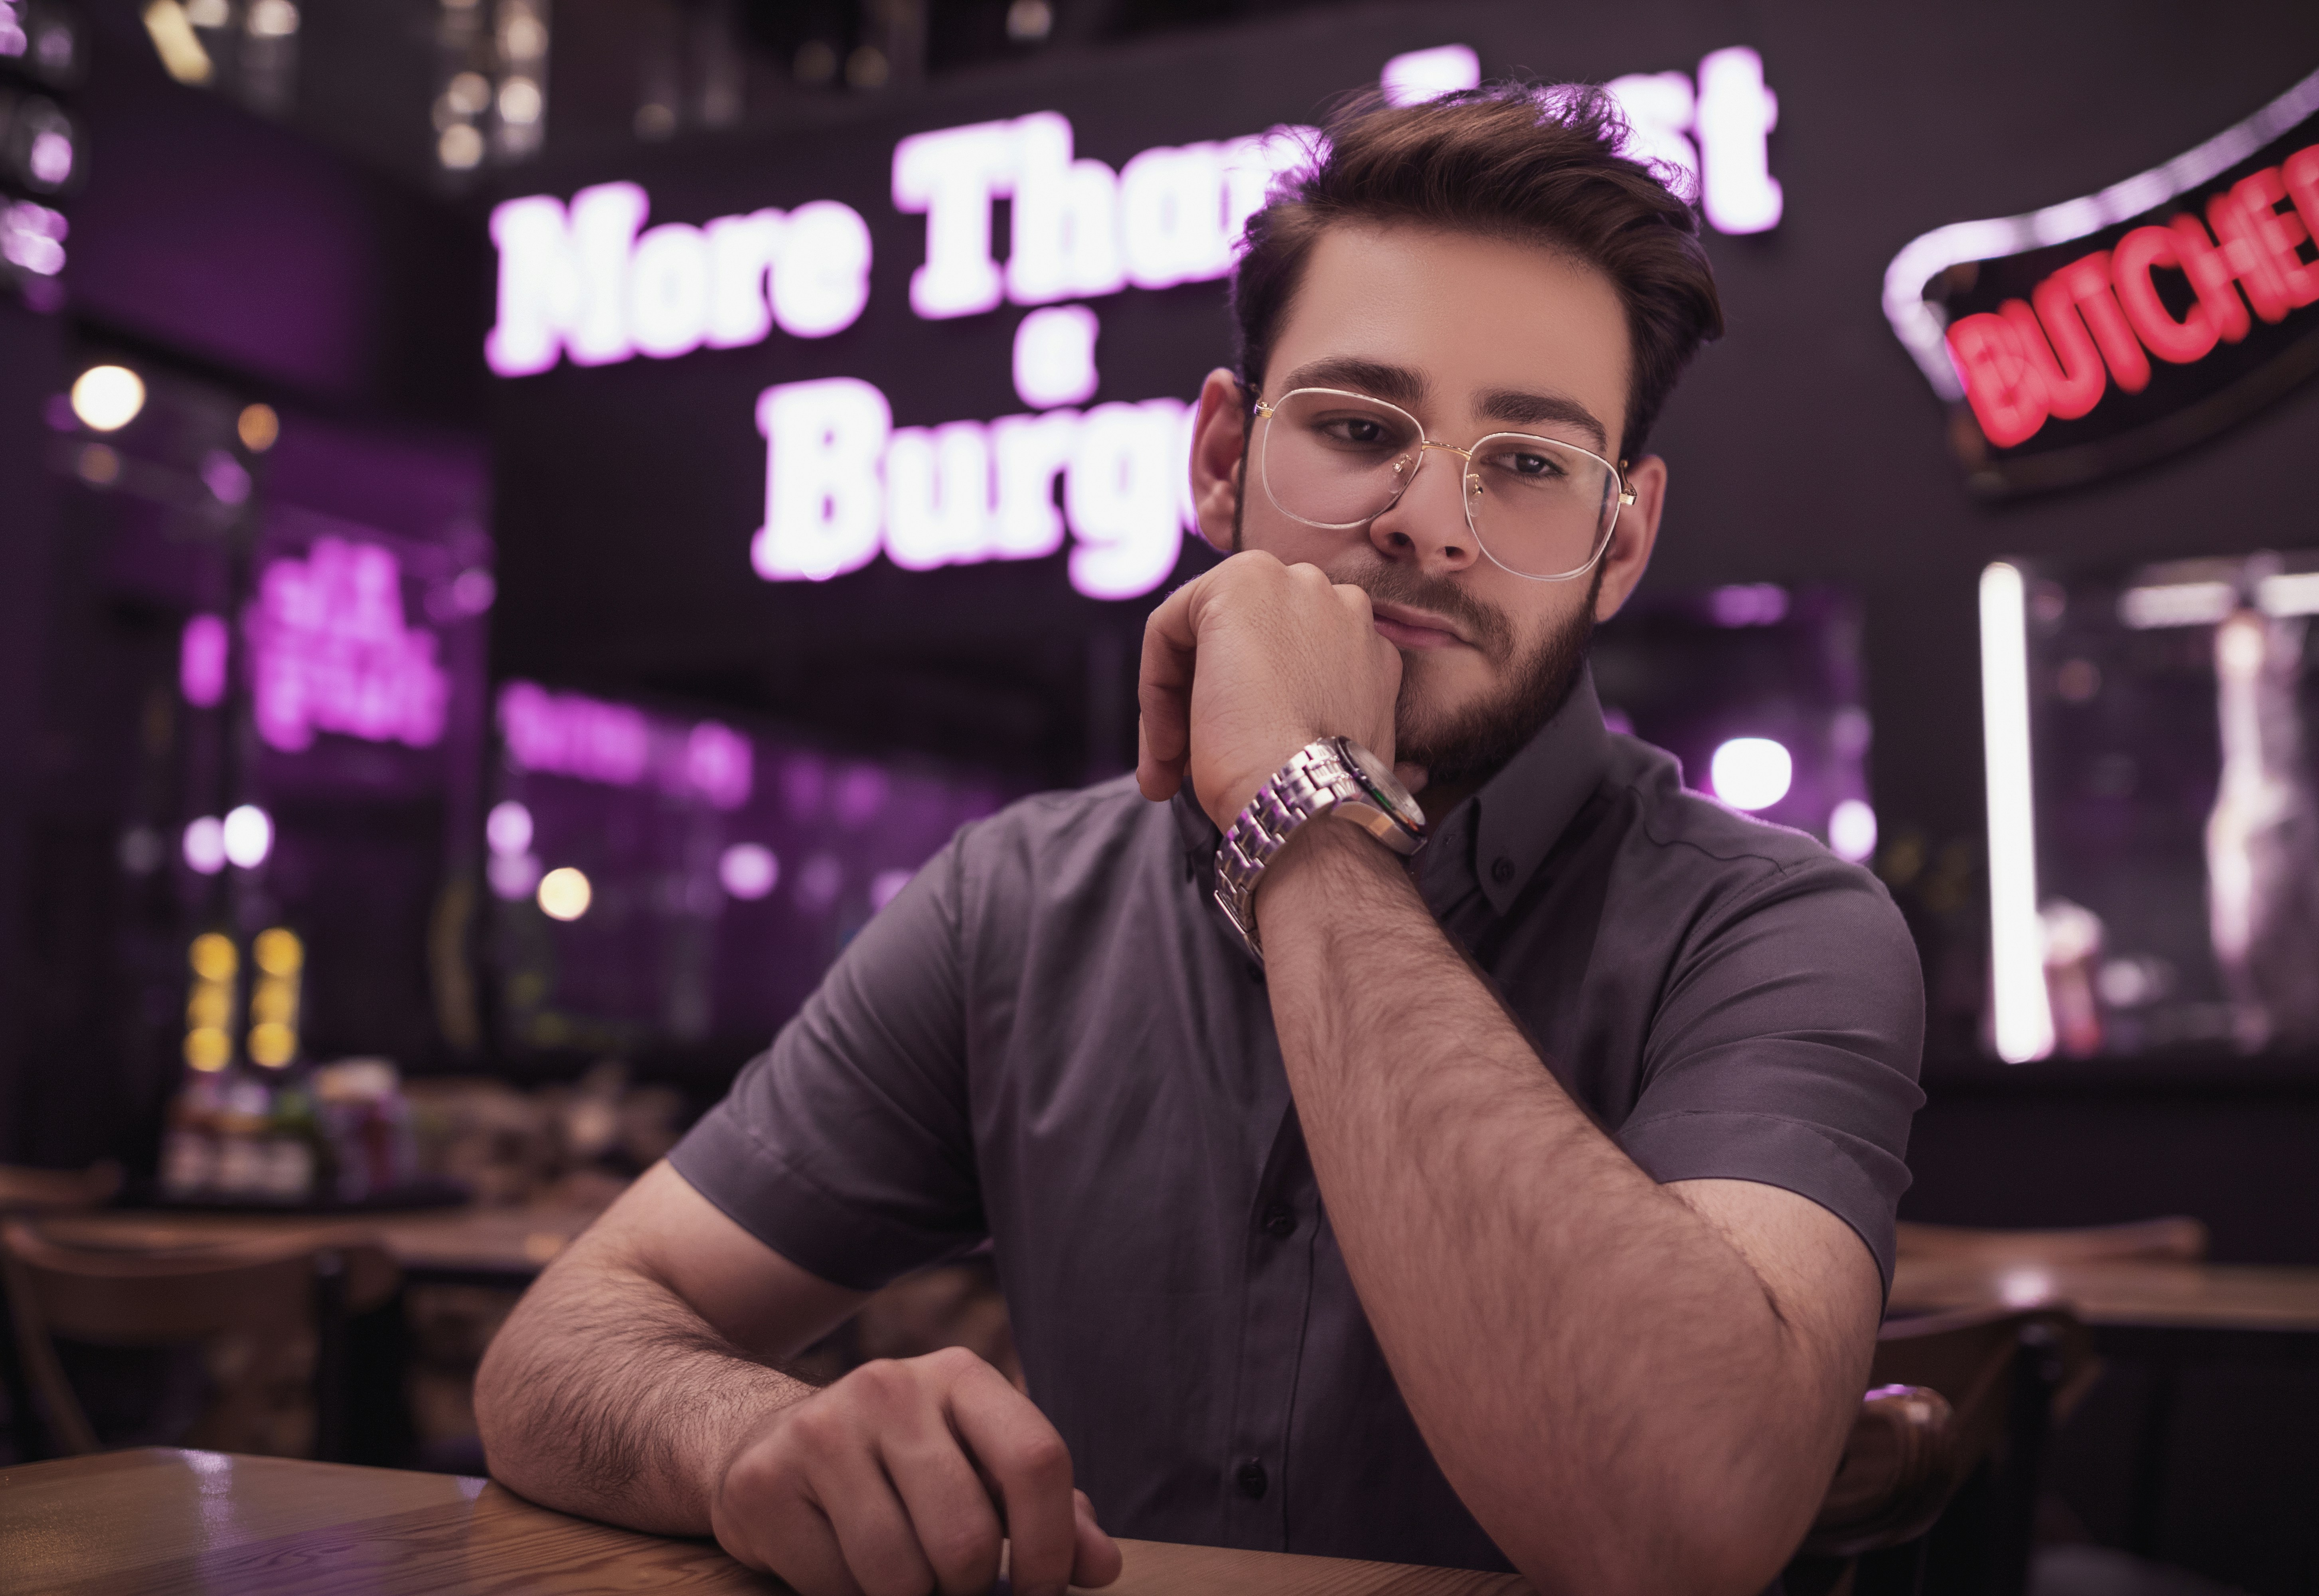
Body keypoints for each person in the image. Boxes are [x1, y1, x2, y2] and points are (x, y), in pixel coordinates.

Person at [476, 82, 1924, 1596]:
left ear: (1618, 544)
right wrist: (759, 1438)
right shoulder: (1013, 904)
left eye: (1530, 463)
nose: (1431, 522)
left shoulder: (1773, 928)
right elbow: (561, 1351)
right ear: (1225, 457)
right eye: (1359, 428)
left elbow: (1682, 1524)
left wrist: (1303, 813)